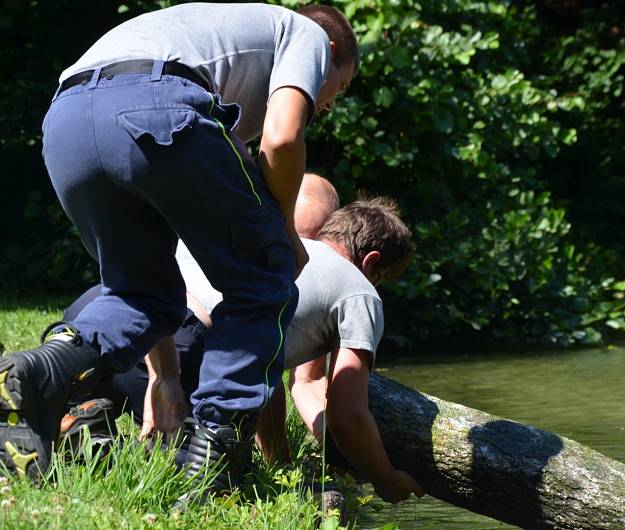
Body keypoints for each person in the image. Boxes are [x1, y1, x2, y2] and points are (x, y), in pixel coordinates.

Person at [0, 3, 357, 495]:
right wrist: (286, 237)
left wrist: (164, 378)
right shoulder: (308, 34)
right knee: (267, 274)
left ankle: (38, 372)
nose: (328, 105)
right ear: (333, 52)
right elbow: (281, 139)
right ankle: (214, 461)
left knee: (141, 293)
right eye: (336, 89)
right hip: (155, 102)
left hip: (66, 122)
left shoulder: (210, 57)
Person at [62, 192, 424, 503]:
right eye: (383, 279)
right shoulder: (359, 290)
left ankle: (88, 418)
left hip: (100, 313)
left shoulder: (271, 242)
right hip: (185, 345)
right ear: (371, 261)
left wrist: (278, 458)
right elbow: (348, 414)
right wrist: (387, 480)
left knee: (92, 393)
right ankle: (112, 445)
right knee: (210, 472)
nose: (378, 287)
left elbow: (262, 373)